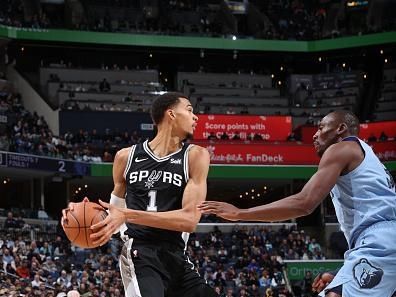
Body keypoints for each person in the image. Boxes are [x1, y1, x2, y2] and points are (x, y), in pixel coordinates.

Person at [198, 111, 396, 297]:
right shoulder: (367, 153)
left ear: (340, 129)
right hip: (381, 242)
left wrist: (240, 213)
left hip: (378, 242)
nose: (315, 135)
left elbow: (304, 203)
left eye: (321, 128)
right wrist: (341, 272)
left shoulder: (341, 148)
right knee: (336, 291)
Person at [63, 92, 216, 297]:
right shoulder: (125, 157)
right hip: (140, 254)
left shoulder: (195, 156)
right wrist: (83, 214)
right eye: (189, 110)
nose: (195, 116)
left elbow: (189, 219)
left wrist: (127, 214)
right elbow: (114, 218)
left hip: (177, 256)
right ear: (171, 114)